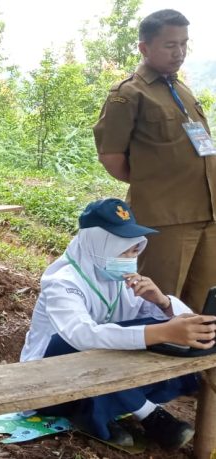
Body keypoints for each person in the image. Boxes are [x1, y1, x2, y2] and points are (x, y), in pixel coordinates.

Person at [20, 198, 216, 451]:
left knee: (144, 331)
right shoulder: (62, 281)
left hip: (96, 376)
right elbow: (81, 335)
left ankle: (92, 413)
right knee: (83, 342)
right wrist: (161, 331)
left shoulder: (116, 275)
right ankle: (150, 415)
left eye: (135, 250)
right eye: (123, 250)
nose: (131, 258)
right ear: (97, 244)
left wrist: (162, 302)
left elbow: (156, 322)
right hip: (48, 382)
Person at [93, 9, 216, 313]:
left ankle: (199, 360)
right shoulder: (129, 94)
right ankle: (158, 358)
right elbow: (111, 157)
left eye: (184, 44)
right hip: (165, 218)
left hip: (207, 212)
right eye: (170, 45)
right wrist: (152, 183)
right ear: (144, 48)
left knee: (203, 302)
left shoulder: (181, 89)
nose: (180, 52)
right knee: (160, 302)